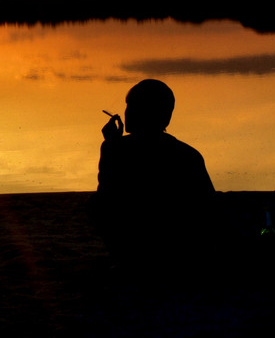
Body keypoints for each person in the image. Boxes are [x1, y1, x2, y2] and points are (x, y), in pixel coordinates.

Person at [89, 79, 215, 268]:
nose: (127, 112)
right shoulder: (187, 154)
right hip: (178, 246)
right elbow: (208, 206)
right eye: (128, 106)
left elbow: (107, 194)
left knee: (93, 205)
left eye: (132, 106)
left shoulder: (118, 150)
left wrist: (110, 146)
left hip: (135, 244)